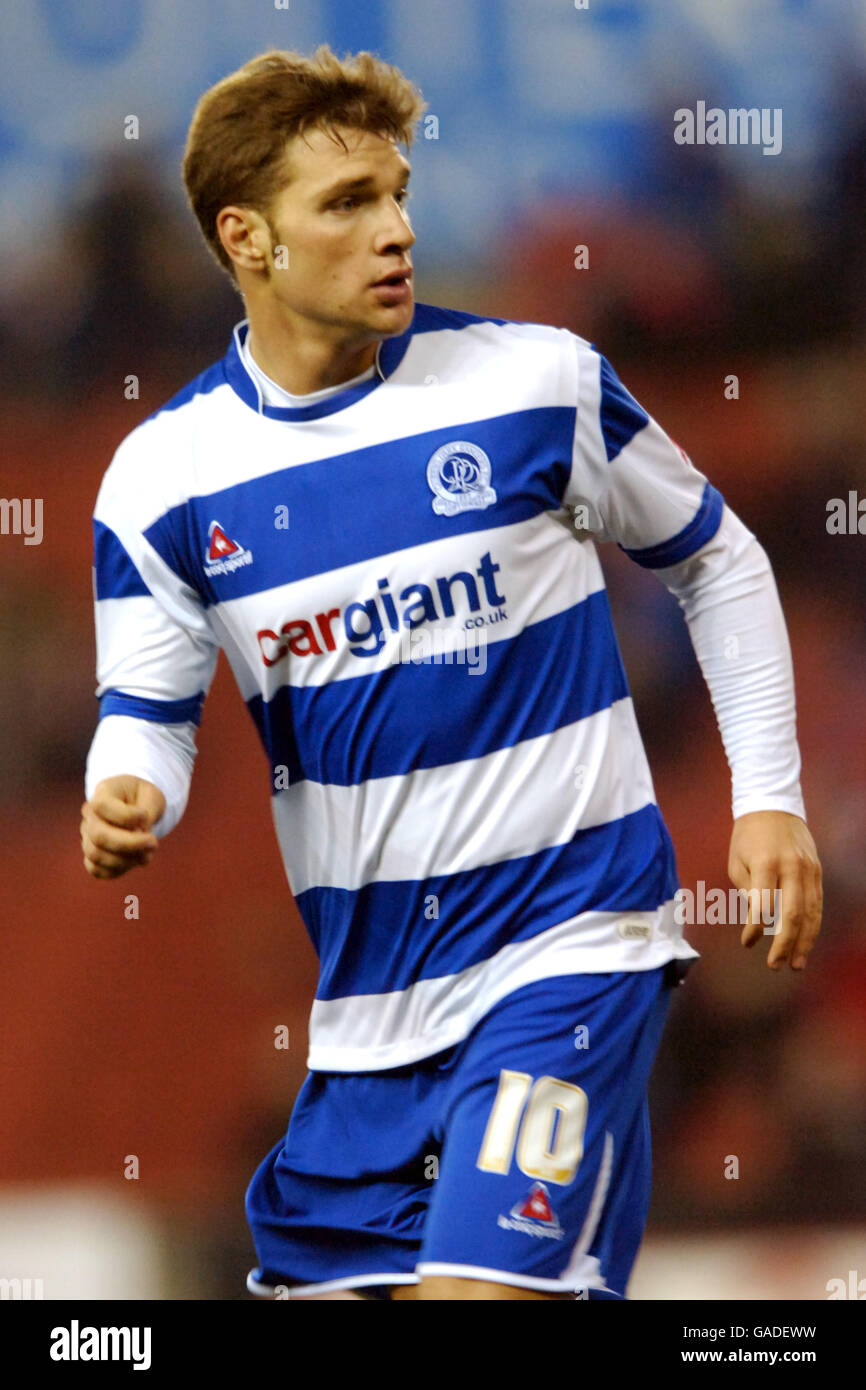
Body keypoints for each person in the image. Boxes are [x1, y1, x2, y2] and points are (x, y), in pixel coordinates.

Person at [79, 46, 822, 1302]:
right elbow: (144, 717)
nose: (396, 229)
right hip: (369, 1018)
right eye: (347, 202)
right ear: (246, 236)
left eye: (398, 191)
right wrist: (125, 790)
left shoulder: (532, 383)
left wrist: (767, 795)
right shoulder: (162, 477)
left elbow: (718, 560)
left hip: (569, 946)